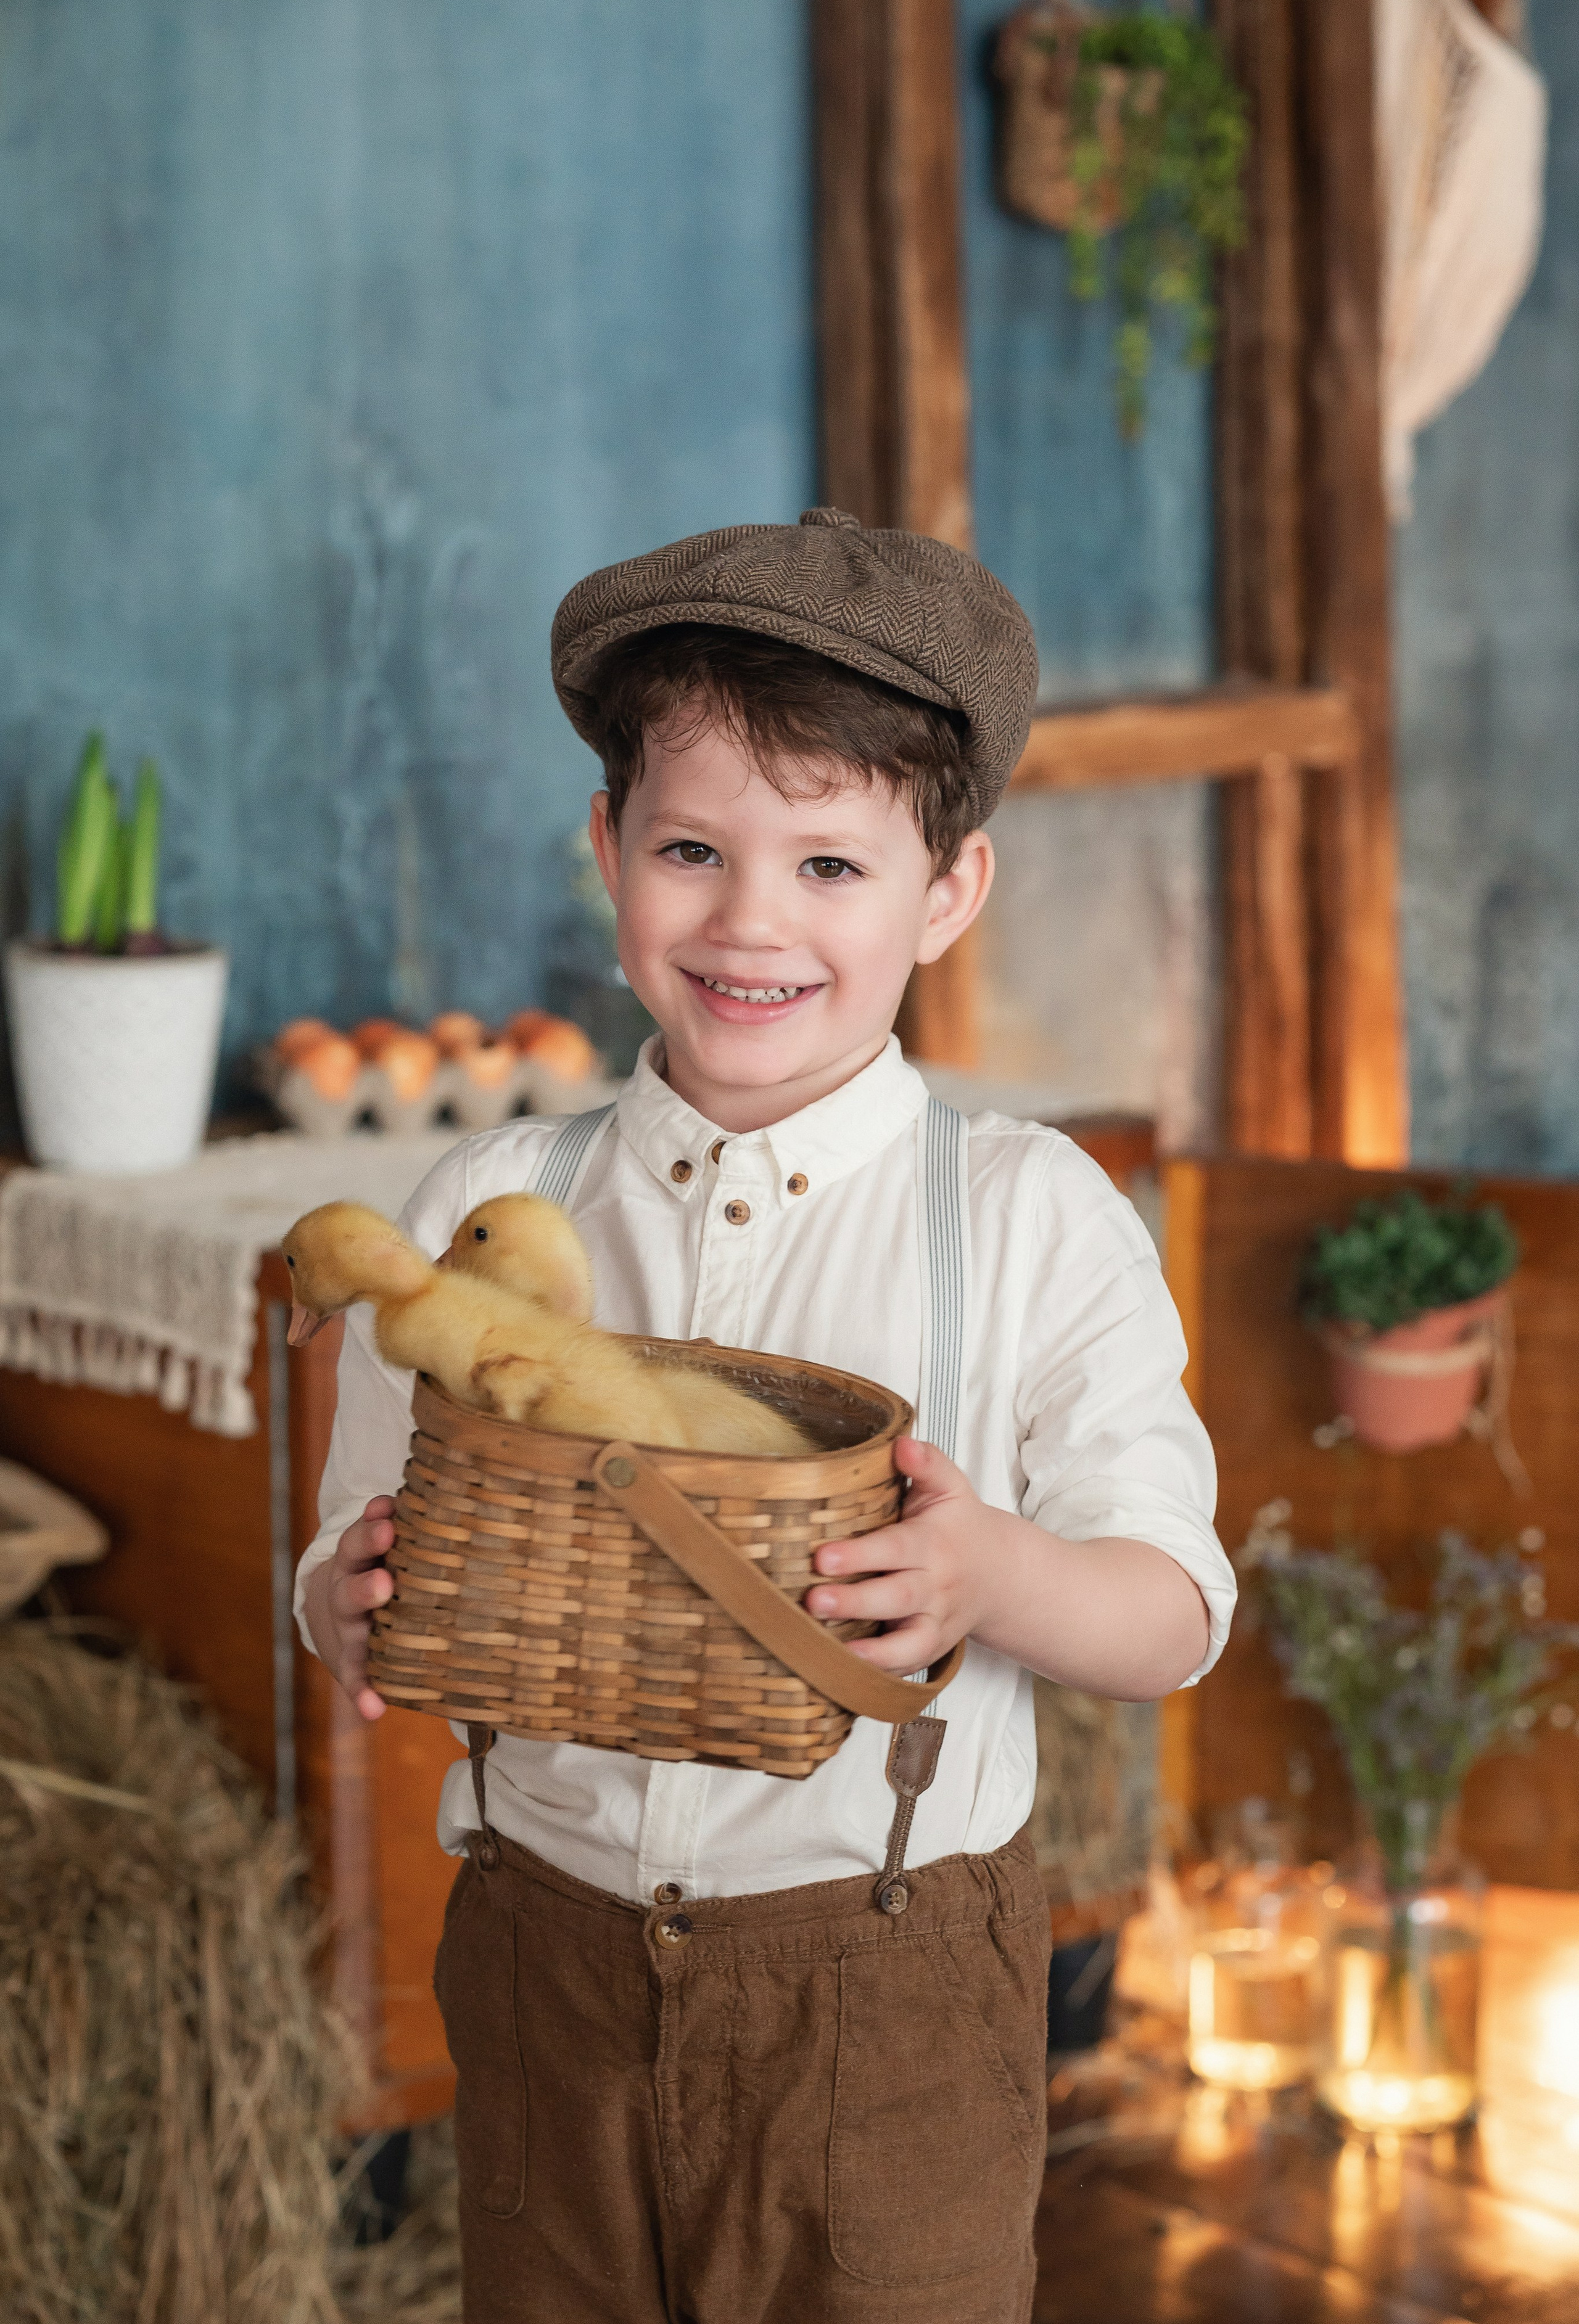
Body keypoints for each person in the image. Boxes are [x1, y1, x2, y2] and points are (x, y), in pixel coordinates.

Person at [294, 507, 1234, 2324]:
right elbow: (355, 1535)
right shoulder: (486, 1208)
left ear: (948, 893)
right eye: (694, 850)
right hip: (546, 1964)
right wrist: (341, 1597)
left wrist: (993, 1578)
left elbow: (1176, 1613)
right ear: (609, 855)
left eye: (829, 867)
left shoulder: (1026, 1215)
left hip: (880, 1994)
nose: (749, 922)